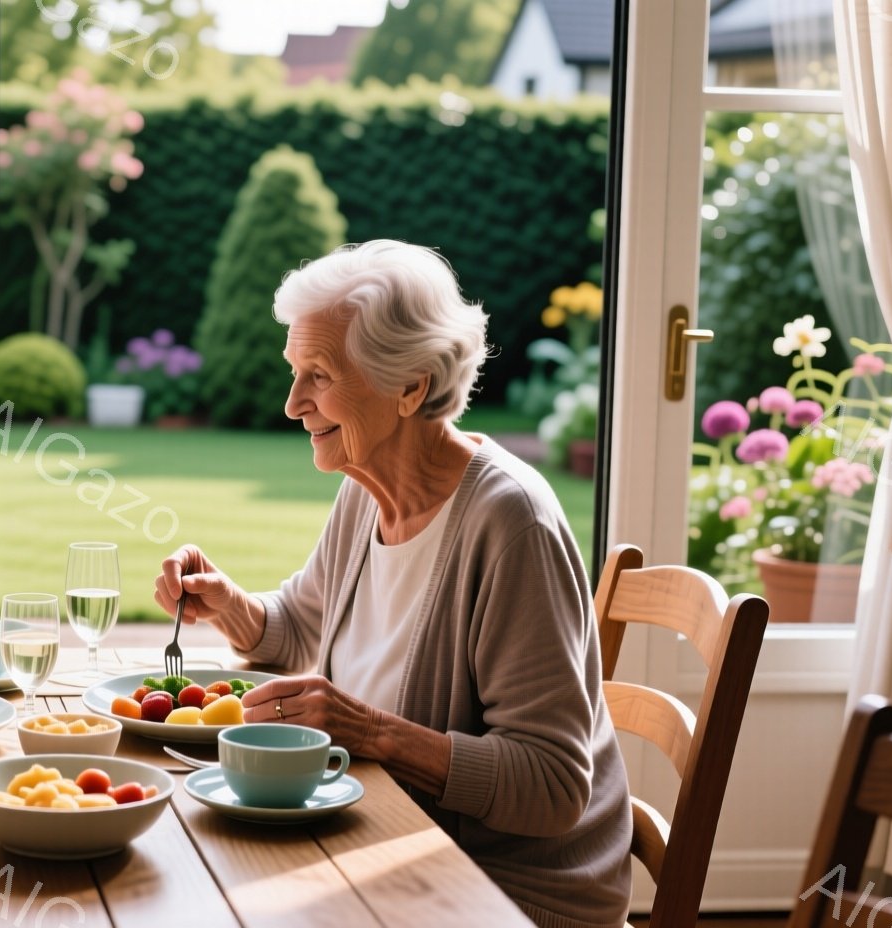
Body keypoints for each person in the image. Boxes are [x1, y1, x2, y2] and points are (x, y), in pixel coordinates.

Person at [153, 240, 631, 928]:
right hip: (385, 837)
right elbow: (297, 630)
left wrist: (374, 734)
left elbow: (552, 785)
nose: (292, 405)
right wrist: (228, 604)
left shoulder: (509, 521)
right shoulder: (367, 485)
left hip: (503, 893)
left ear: (409, 386)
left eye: (317, 375)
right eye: (295, 373)